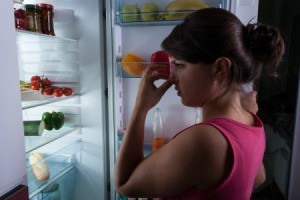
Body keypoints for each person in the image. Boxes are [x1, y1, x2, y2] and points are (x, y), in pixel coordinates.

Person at [114, 7, 284, 200]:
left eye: (179, 65)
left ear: (220, 68)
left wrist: (141, 107)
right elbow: (258, 178)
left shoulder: (204, 140)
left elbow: (124, 184)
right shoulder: (252, 123)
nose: (172, 76)